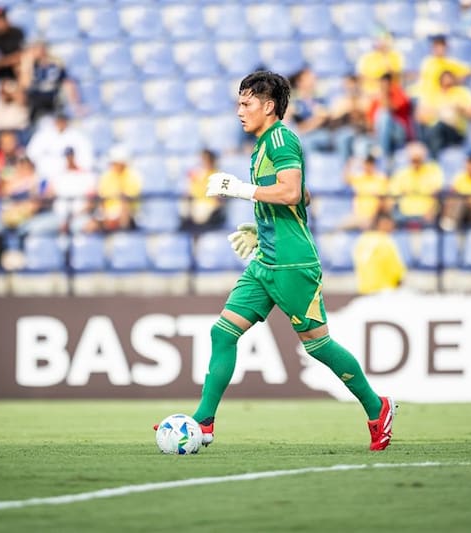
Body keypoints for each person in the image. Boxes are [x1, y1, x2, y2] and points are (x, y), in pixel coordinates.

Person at [155, 71, 395, 452]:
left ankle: (376, 407)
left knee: (318, 345)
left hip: (292, 263)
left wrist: (242, 190)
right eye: (238, 103)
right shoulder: (263, 145)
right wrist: (262, 225)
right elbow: (304, 196)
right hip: (266, 259)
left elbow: (291, 192)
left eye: (246, 103)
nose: (239, 111)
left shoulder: (281, 138)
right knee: (223, 332)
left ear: (268, 106)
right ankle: (203, 422)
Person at [416, 70, 471, 157]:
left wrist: (458, 109)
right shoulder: (432, 94)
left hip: (454, 130)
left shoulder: (462, 93)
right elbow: (419, 116)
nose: (447, 81)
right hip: (432, 130)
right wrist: (438, 111)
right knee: (434, 129)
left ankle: (435, 157)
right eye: (445, 78)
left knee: (439, 127)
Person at [19, 40, 79, 122]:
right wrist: (28, 64)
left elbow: (66, 81)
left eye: (42, 49)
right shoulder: (30, 65)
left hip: (53, 98)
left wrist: (75, 104)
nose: (40, 52)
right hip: (35, 99)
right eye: (36, 49)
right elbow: (25, 84)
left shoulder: (55, 64)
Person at [85, 144, 141, 232]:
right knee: (90, 226)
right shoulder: (106, 176)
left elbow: (129, 199)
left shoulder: (132, 176)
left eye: (116, 163)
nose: (113, 165)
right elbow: (101, 196)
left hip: (128, 214)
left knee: (124, 208)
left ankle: (122, 235)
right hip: (107, 212)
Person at [389, 142, 444, 226]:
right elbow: (393, 194)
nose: (415, 163)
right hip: (404, 215)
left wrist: (432, 211)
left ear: (423, 158)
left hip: (427, 214)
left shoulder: (433, 170)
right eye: (413, 160)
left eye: (418, 160)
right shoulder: (401, 173)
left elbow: (437, 193)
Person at [352, 213, 407, 295]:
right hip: (384, 291)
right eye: (390, 224)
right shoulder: (384, 241)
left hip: (364, 291)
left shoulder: (361, 240)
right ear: (381, 224)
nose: (392, 227)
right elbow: (395, 270)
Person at [366, 72, 412, 159]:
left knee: (385, 116)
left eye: (386, 83)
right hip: (380, 133)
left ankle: (383, 153)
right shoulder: (376, 97)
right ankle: (380, 149)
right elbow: (371, 120)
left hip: (399, 131)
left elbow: (392, 108)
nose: (384, 85)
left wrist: (385, 95)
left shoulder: (399, 93)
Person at [342, 154, 390, 230]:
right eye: (366, 164)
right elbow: (345, 180)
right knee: (339, 228)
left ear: (374, 165)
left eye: (370, 164)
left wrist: (377, 216)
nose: (368, 166)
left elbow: (385, 201)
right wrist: (349, 164)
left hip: (373, 216)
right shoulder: (359, 177)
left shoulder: (381, 179)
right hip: (358, 215)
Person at [180, 148, 224, 230]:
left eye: (206, 160)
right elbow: (191, 190)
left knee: (201, 211)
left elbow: (216, 196)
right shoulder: (198, 174)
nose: (204, 162)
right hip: (196, 203)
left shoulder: (218, 175)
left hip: (209, 206)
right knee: (184, 205)